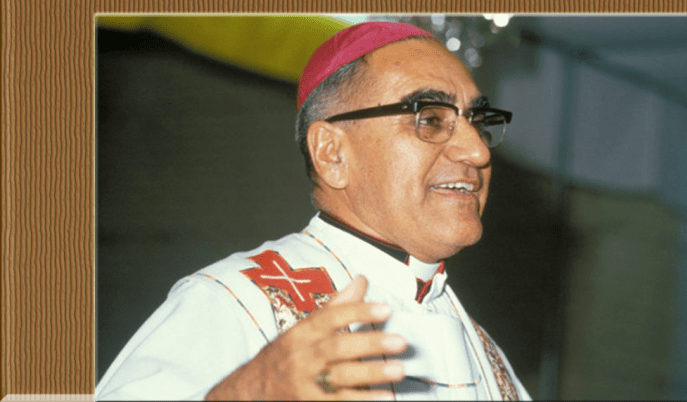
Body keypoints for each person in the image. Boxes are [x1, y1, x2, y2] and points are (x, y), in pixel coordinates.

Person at [95, 21, 530, 401]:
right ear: (332, 153)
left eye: (478, 121)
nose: (477, 151)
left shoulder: (483, 348)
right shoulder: (236, 300)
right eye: (430, 118)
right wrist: (247, 394)